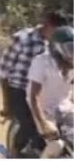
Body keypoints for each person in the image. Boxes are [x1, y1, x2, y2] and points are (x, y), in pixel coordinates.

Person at [0, 11, 70, 154]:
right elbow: (3, 72)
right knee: (32, 127)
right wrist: (7, 103)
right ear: (48, 25)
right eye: (56, 31)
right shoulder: (22, 39)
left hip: (47, 91)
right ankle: (15, 153)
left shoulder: (59, 44)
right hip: (20, 89)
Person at [27, 26, 74, 155]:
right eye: (69, 49)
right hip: (44, 109)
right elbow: (34, 96)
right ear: (57, 49)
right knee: (56, 145)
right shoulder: (41, 62)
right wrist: (43, 123)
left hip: (64, 107)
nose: (72, 54)